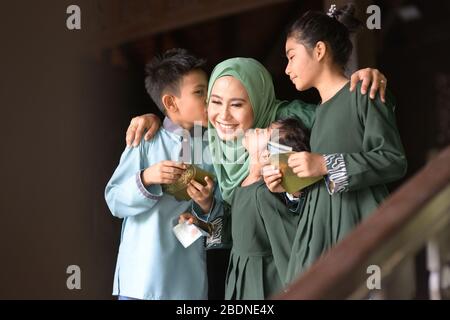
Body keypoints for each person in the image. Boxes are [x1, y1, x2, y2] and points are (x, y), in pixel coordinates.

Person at [263, 4, 407, 283]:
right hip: (316, 236)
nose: (287, 69)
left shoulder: (364, 92)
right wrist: (289, 186)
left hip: (355, 224)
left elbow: (393, 159)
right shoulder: (317, 115)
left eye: (291, 57)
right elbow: (321, 180)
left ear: (319, 51)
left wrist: (324, 163)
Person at [104, 48, 222, 300]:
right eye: (200, 92)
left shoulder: (215, 147)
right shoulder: (145, 139)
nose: (209, 98)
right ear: (170, 103)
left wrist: (205, 205)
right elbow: (114, 200)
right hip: (141, 280)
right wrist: (147, 177)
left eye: (209, 90)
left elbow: (218, 227)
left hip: (187, 282)